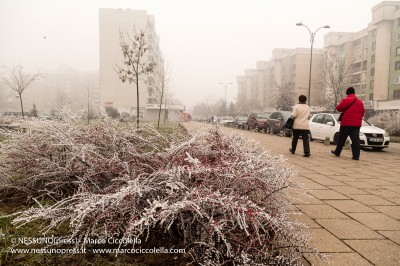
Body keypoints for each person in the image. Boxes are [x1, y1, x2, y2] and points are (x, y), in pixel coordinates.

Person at [331, 87, 365, 160]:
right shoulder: (360, 102)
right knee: (356, 140)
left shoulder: (345, 100)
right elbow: (362, 112)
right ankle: (356, 156)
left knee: (341, 139)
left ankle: (337, 152)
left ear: (347, 93)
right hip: (356, 125)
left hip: (346, 123)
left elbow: (338, 108)